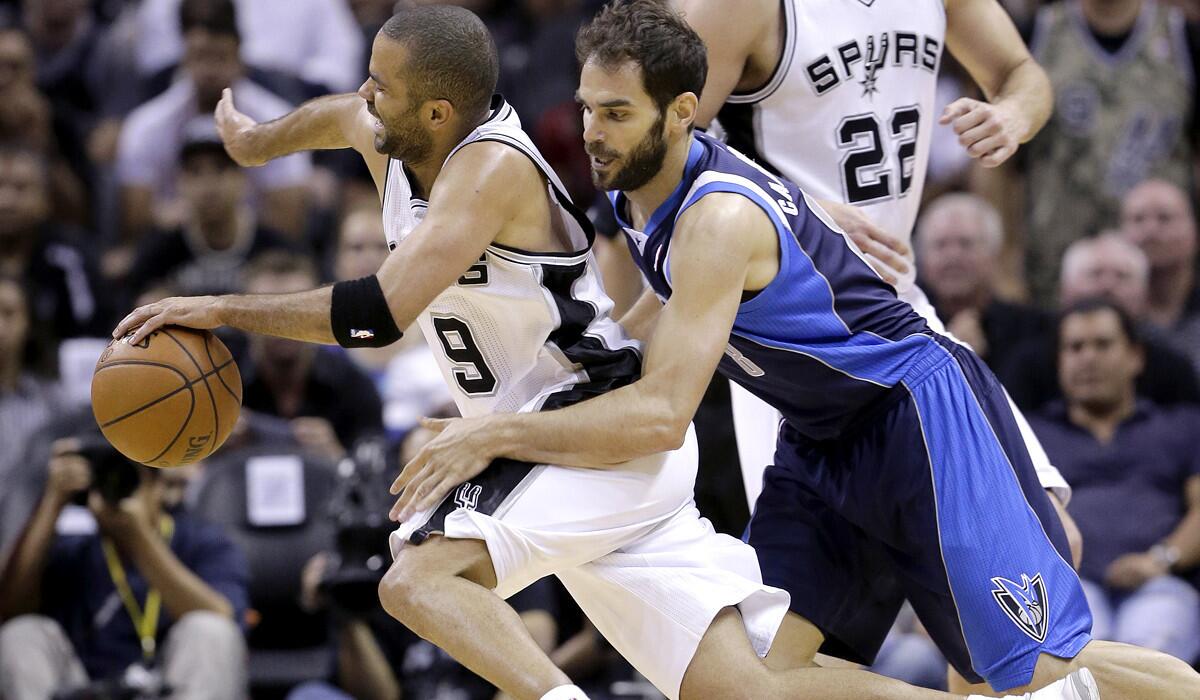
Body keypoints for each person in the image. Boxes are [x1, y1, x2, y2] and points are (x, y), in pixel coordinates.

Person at [113, 5, 1092, 700]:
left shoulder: (488, 171)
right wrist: (253, 144)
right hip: (585, 447)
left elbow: (376, 313)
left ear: (439, 113)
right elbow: (331, 116)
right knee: (741, 687)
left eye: (385, 89)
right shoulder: (390, 129)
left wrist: (212, 304)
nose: (367, 100)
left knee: (413, 580)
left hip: (588, 426)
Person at [395, 2, 1200, 698]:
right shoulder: (641, 192)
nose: (591, 135)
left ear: (682, 112)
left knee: (1035, 672)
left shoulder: (716, 220)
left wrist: (497, 435)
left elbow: (663, 413)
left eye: (616, 114)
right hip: (820, 442)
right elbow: (636, 328)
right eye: (588, 109)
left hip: (913, 418)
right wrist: (508, 411)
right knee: (746, 680)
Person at [669, 0, 1074, 526]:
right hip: (788, 321)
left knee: (1043, 522)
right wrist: (798, 207)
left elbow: (1020, 73)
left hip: (893, 295)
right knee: (819, 580)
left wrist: (1011, 115)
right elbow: (667, 142)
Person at [0, 439, 249, 699]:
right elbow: (11, 609)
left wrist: (139, 538)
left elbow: (223, 620)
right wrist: (52, 501)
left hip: (175, 685)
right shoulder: (75, 550)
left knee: (210, 631)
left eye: (129, 482)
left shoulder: (204, 541)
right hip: (87, 688)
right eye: (106, 482)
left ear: (158, 489)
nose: (117, 492)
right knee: (20, 634)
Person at [1029, 299, 1200, 662]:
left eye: (1103, 345)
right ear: (1059, 361)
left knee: (1151, 652)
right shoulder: (1030, 436)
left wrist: (1160, 559)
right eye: (1074, 347)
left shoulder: (1180, 426)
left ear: (1135, 356)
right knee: (1082, 661)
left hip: (1158, 584)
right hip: (1066, 588)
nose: (1087, 358)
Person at [115, 0, 311, 242]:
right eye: (199, 56)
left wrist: (227, 221)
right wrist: (180, 218)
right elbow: (136, 224)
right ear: (184, 57)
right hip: (176, 249)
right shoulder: (146, 127)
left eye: (219, 57)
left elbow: (288, 222)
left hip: (253, 250)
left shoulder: (279, 120)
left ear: (239, 58)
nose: (209, 70)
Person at [998, 233, 1200, 412]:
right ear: (1064, 290)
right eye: (1095, 274)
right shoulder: (1026, 368)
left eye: (1122, 276)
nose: (1108, 285)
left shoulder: (1173, 368)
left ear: (1144, 295)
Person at [126, 115, 293, 300]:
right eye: (195, 171)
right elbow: (126, 317)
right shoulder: (159, 253)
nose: (208, 184)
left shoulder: (274, 248)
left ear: (242, 178)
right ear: (180, 183)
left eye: (220, 168)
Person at [916, 193, 1050, 374]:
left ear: (994, 255)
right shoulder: (903, 329)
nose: (953, 256)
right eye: (941, 245)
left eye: (966, 244)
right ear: (922, 259)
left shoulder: (1033, 330)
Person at [1119, 178, 1200, 373]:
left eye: (1164, 218)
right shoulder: (1110, 315)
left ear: (1194, 233)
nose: (1150, 231)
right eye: (1138, 219)